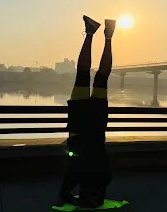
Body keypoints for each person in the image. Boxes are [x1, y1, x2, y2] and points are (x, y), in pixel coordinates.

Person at [59, 15, 116, 208]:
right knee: (83, 75)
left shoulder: (105, 177)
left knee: (102, 77)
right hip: (79, 123)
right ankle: (91, 33)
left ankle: (109, 35)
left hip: (97, 123)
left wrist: (68, 194)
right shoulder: (77, 176)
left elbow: (75, 185)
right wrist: (66, 194)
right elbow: (68, 185)